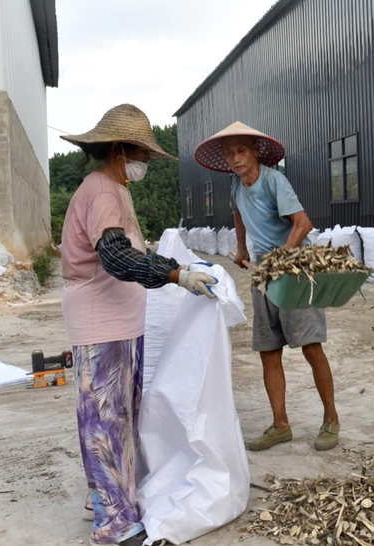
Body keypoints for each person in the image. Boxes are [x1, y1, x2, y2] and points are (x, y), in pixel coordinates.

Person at [60, 104, 217, 546]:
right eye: (142, 154)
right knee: (104, 418)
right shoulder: (101, 191)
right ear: (119, 149)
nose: (146, 162)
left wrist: (175, 267)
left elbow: (135, 252)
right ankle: (114, 523)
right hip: (99, 320)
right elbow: (115, 256)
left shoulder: (116, 188)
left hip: (122, 321)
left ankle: (108, 496)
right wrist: (173, 276)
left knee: (122, 416)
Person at [194, 122, 340, 452]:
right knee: (268, 350)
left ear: (255, 151)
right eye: (229, 153)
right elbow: (238, 215)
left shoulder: (275, 181)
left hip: (294, 270)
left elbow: (303, 223)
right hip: (262, 271)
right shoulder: (236, 185)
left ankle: (331, 419)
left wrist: (283, 257)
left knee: (310, 346)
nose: (235, 158)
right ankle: (281, 425)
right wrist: (243, 249)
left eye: (241, 151)